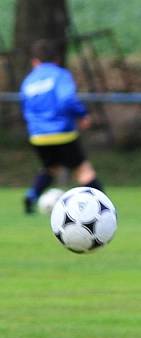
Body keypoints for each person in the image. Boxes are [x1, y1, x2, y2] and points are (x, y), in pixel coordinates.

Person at [19, 39, 104, 215]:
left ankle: (31, 195)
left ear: (35, 61)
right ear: (56, 59)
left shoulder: (28, 81)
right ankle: (102, 206)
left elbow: (26, 107)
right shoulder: (60, 75)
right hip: (61, 132)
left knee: (51, 168)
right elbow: (66, 99)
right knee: (83, 170)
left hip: (38, 136)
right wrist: (81, 115)